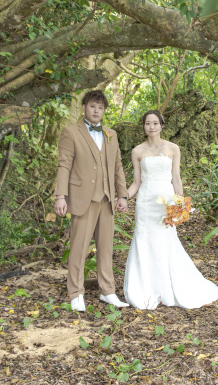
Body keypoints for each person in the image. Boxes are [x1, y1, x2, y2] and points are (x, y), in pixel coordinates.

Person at [123, 110, 218, 310]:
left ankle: (167, 288)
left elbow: (176, 179)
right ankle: (146, 289)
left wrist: (181, 204)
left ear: (161, 126)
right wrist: (123, 197)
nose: (151, 127)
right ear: (143, 126)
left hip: (166, 203)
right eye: (148, 123)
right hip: (145, 203)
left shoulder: (173, 148)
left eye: (155, 123)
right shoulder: (137, 151)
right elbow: (136, 182)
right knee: (144, 241)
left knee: (165, 242)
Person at [53, 90, 130, 312]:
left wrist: (122, 195)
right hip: (81, 198)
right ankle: (75, 294)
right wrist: (61, 196)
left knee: (106, 248)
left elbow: (117, 166)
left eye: (101, 108)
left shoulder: (111, 134)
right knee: (78, 247)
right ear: (84, 107)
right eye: (93, 106)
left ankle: (108, 292)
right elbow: (64, 165)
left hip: (106, 198)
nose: (97, 111)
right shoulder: (71, 132)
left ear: (104, 110)